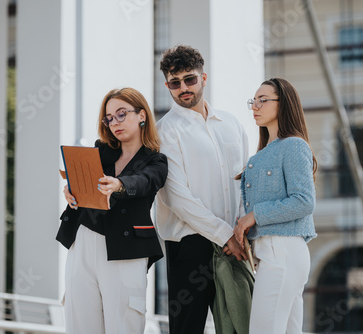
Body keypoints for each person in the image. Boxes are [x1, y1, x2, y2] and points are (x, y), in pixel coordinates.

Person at [56, 87, 168, 334]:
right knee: (80, 323)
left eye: (121, 114)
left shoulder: (156, 161)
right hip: (83, 242)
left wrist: (120, 184)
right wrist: (71, 192)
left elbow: (146, 182)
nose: (114, 122)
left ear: (141, 115)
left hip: (125, 250)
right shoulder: (99, 152)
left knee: (123, 325)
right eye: (109, 118)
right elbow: (82, 187)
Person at [155, 45, 250, 334]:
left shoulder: (231, 124)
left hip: (236, 244)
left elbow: (247, 182)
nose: (183, 88)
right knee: (188, 328)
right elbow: (176, 197)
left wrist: (241, 233)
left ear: (204, 78)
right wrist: (223, 235)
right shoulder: (164, 131)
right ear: (168, 86)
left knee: (242, 326)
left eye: (190, 79)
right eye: (175, 82)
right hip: (190, 247)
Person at [234, 77, 318, 334]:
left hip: (282, 249)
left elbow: (304, 201)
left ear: (284, 104)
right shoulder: (261, 154)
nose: (255, 106)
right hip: (272, 252)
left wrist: (253, 217)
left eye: (263, 100)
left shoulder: (293, 145)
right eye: (253, 101)